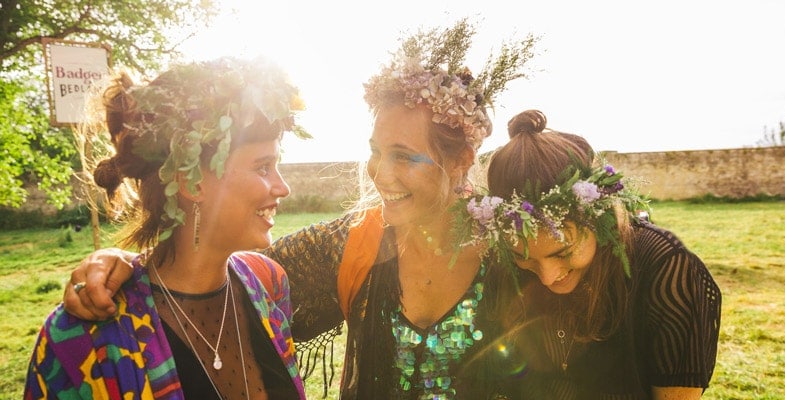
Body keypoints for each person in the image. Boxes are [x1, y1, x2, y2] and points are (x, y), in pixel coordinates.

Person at [57, 19, 538, 399]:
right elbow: (198, 274)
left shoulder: (525, 250)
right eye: (375, 150)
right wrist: (117, 264)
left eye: (403, 155)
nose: (379, 173)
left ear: (463, 161)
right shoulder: (349, 246)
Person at [25, 57, 308, 399]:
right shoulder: (86, 337)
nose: (283, 188)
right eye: (263, 167)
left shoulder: (268, 283)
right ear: (190, 182)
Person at [457, 109, 722, 399]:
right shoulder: (501, 266)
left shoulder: (665, 270)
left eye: (563, 252)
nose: (548, 277)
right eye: (525, 256)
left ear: (600, 219)